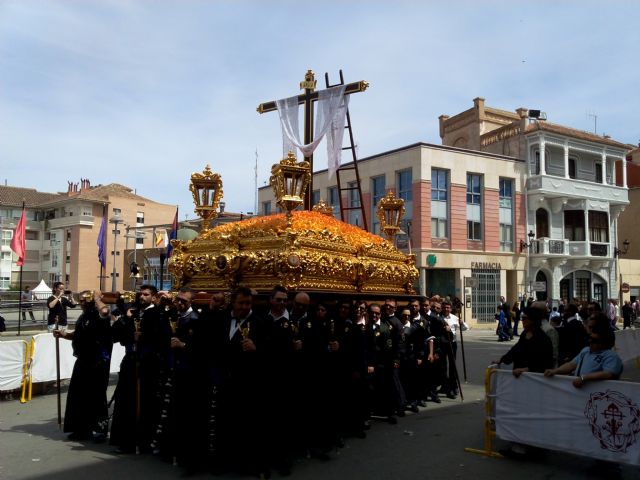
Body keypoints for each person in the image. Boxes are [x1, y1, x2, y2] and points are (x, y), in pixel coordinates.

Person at [110, 284, 171, 454]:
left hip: (148, 365)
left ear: (153, 297)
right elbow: (118, 336)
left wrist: (144, 338)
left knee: (146, 403)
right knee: (126, 402)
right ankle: (126, 440)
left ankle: (145, 440)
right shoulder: (134, 313)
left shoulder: (158, 314)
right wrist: (127, 321)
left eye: (146, 294)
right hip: (131, 362)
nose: (142, 297)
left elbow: (162, 337)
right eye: (141, 294)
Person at [53, 290, 112, 441]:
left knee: (97, 396)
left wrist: (98, 298)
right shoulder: (83, 316)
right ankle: (81, 429)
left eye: (86, 300)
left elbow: (105, 311)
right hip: (83, 359)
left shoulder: (98, 313)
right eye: (81, 300)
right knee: (78, 394)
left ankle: (100, 429)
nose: (82, 303)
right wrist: (63, 334)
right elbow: (78, 334)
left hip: (98, 361)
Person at [544, 314, 623, 387]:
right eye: (590, 338)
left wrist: (584, 378)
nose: (590, 341)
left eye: (594, 340)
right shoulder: (586, 351)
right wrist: (555, 371)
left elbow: (608, 373)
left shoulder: (611, 356)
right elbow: (571, 365)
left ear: (605, 342)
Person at [495, 303, 554, 377]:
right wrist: (502, 360)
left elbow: (545, 362)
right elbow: (516, 349)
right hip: (519, 377)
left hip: (533, 379)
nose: (522, 321)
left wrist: (526, 369)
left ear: (532, 320)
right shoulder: (524, 333)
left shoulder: (543, 338)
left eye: (524, 318)